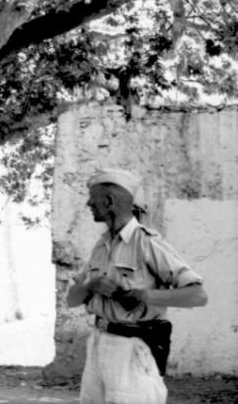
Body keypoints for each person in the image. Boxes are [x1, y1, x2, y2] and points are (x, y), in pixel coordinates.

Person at [68, 168, 208, 404]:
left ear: (109, 201)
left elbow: (198, 295)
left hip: (131, 350)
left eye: (92, 197)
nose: (88, 203)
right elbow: (71, 300)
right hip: (97, 344)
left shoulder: (147, 243)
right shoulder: (101, 246)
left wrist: (142, 295)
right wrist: (91, 284)